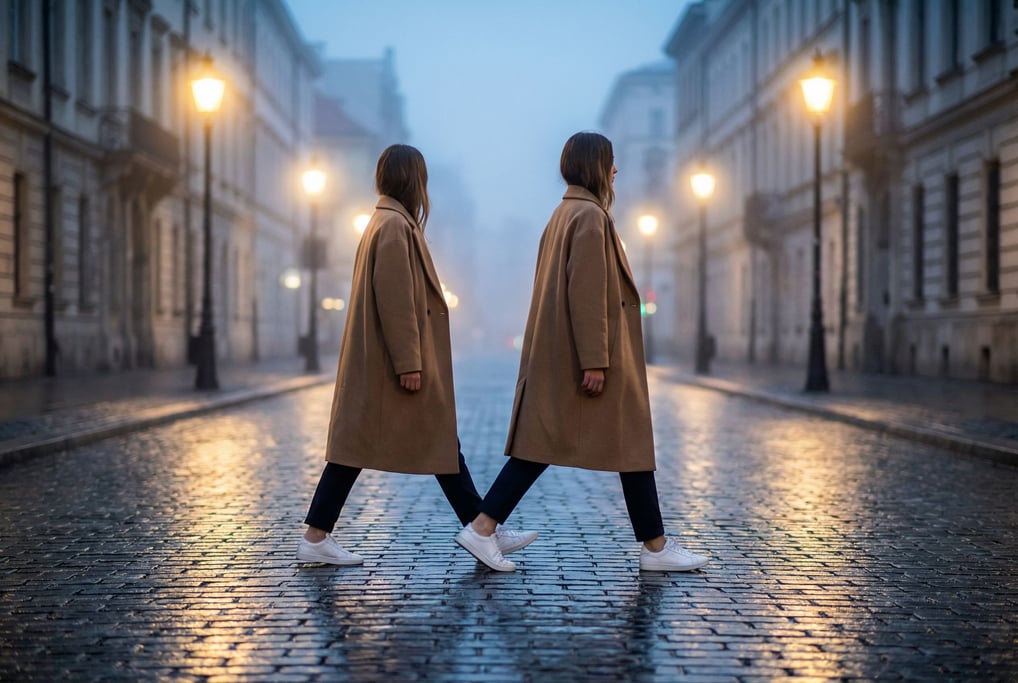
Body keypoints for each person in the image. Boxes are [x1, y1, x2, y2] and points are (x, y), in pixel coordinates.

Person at [454, 132, 709, 573]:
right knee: (609, 444)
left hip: (561, 355)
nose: (616, 170)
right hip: (587, 358)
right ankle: (483, 527)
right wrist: (595, 360)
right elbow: (587, 293)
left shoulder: (565, 213)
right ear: (595, 166)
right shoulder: (590, 217)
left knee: (582, 446)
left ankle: (654, 545)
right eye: (610, 162)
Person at [297, 144, 536, 565]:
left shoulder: (389, 221)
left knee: (429, 445)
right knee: (363, 449)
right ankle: (317, 537)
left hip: (383, 363)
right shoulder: (393, 226)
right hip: (394, 365)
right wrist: (409, 362)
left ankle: (482, 528)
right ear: (414, 181)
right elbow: (396, 301)